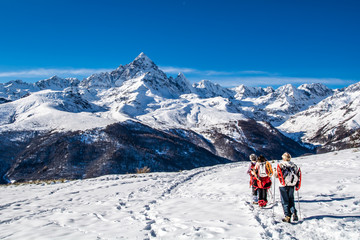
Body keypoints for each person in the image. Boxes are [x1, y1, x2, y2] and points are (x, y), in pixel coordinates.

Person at [276, 152, 302, 223]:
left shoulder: (281, 165)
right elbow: (297, 174)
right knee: (291, 199)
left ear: (283, 158)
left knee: (285, 201)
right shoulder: (294, 166)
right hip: (292, 185)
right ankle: (294, 212)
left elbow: (277, 175)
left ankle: (287, 216)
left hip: (283, 185)